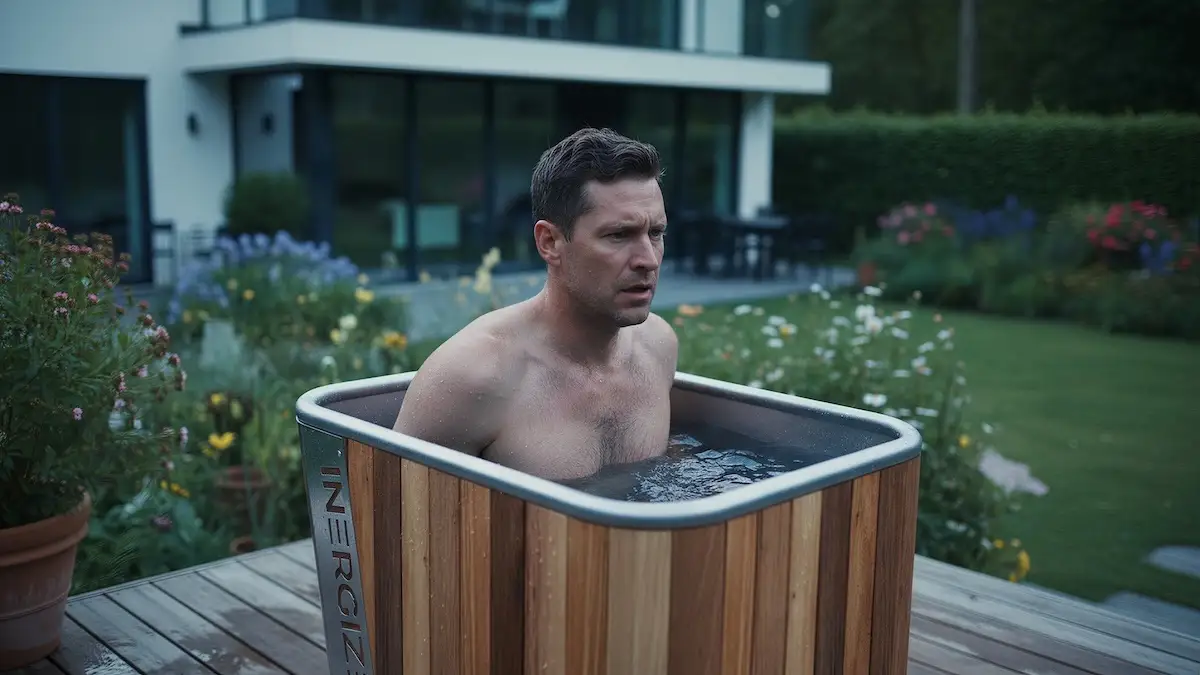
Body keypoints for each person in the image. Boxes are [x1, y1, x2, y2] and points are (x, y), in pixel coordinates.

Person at [392, 127, 678, 481]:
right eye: (618, 235)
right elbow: (401, 521)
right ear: (550, 242)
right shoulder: (473, 376)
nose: (648, 260)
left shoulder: (658, 347)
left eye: (656, 233)